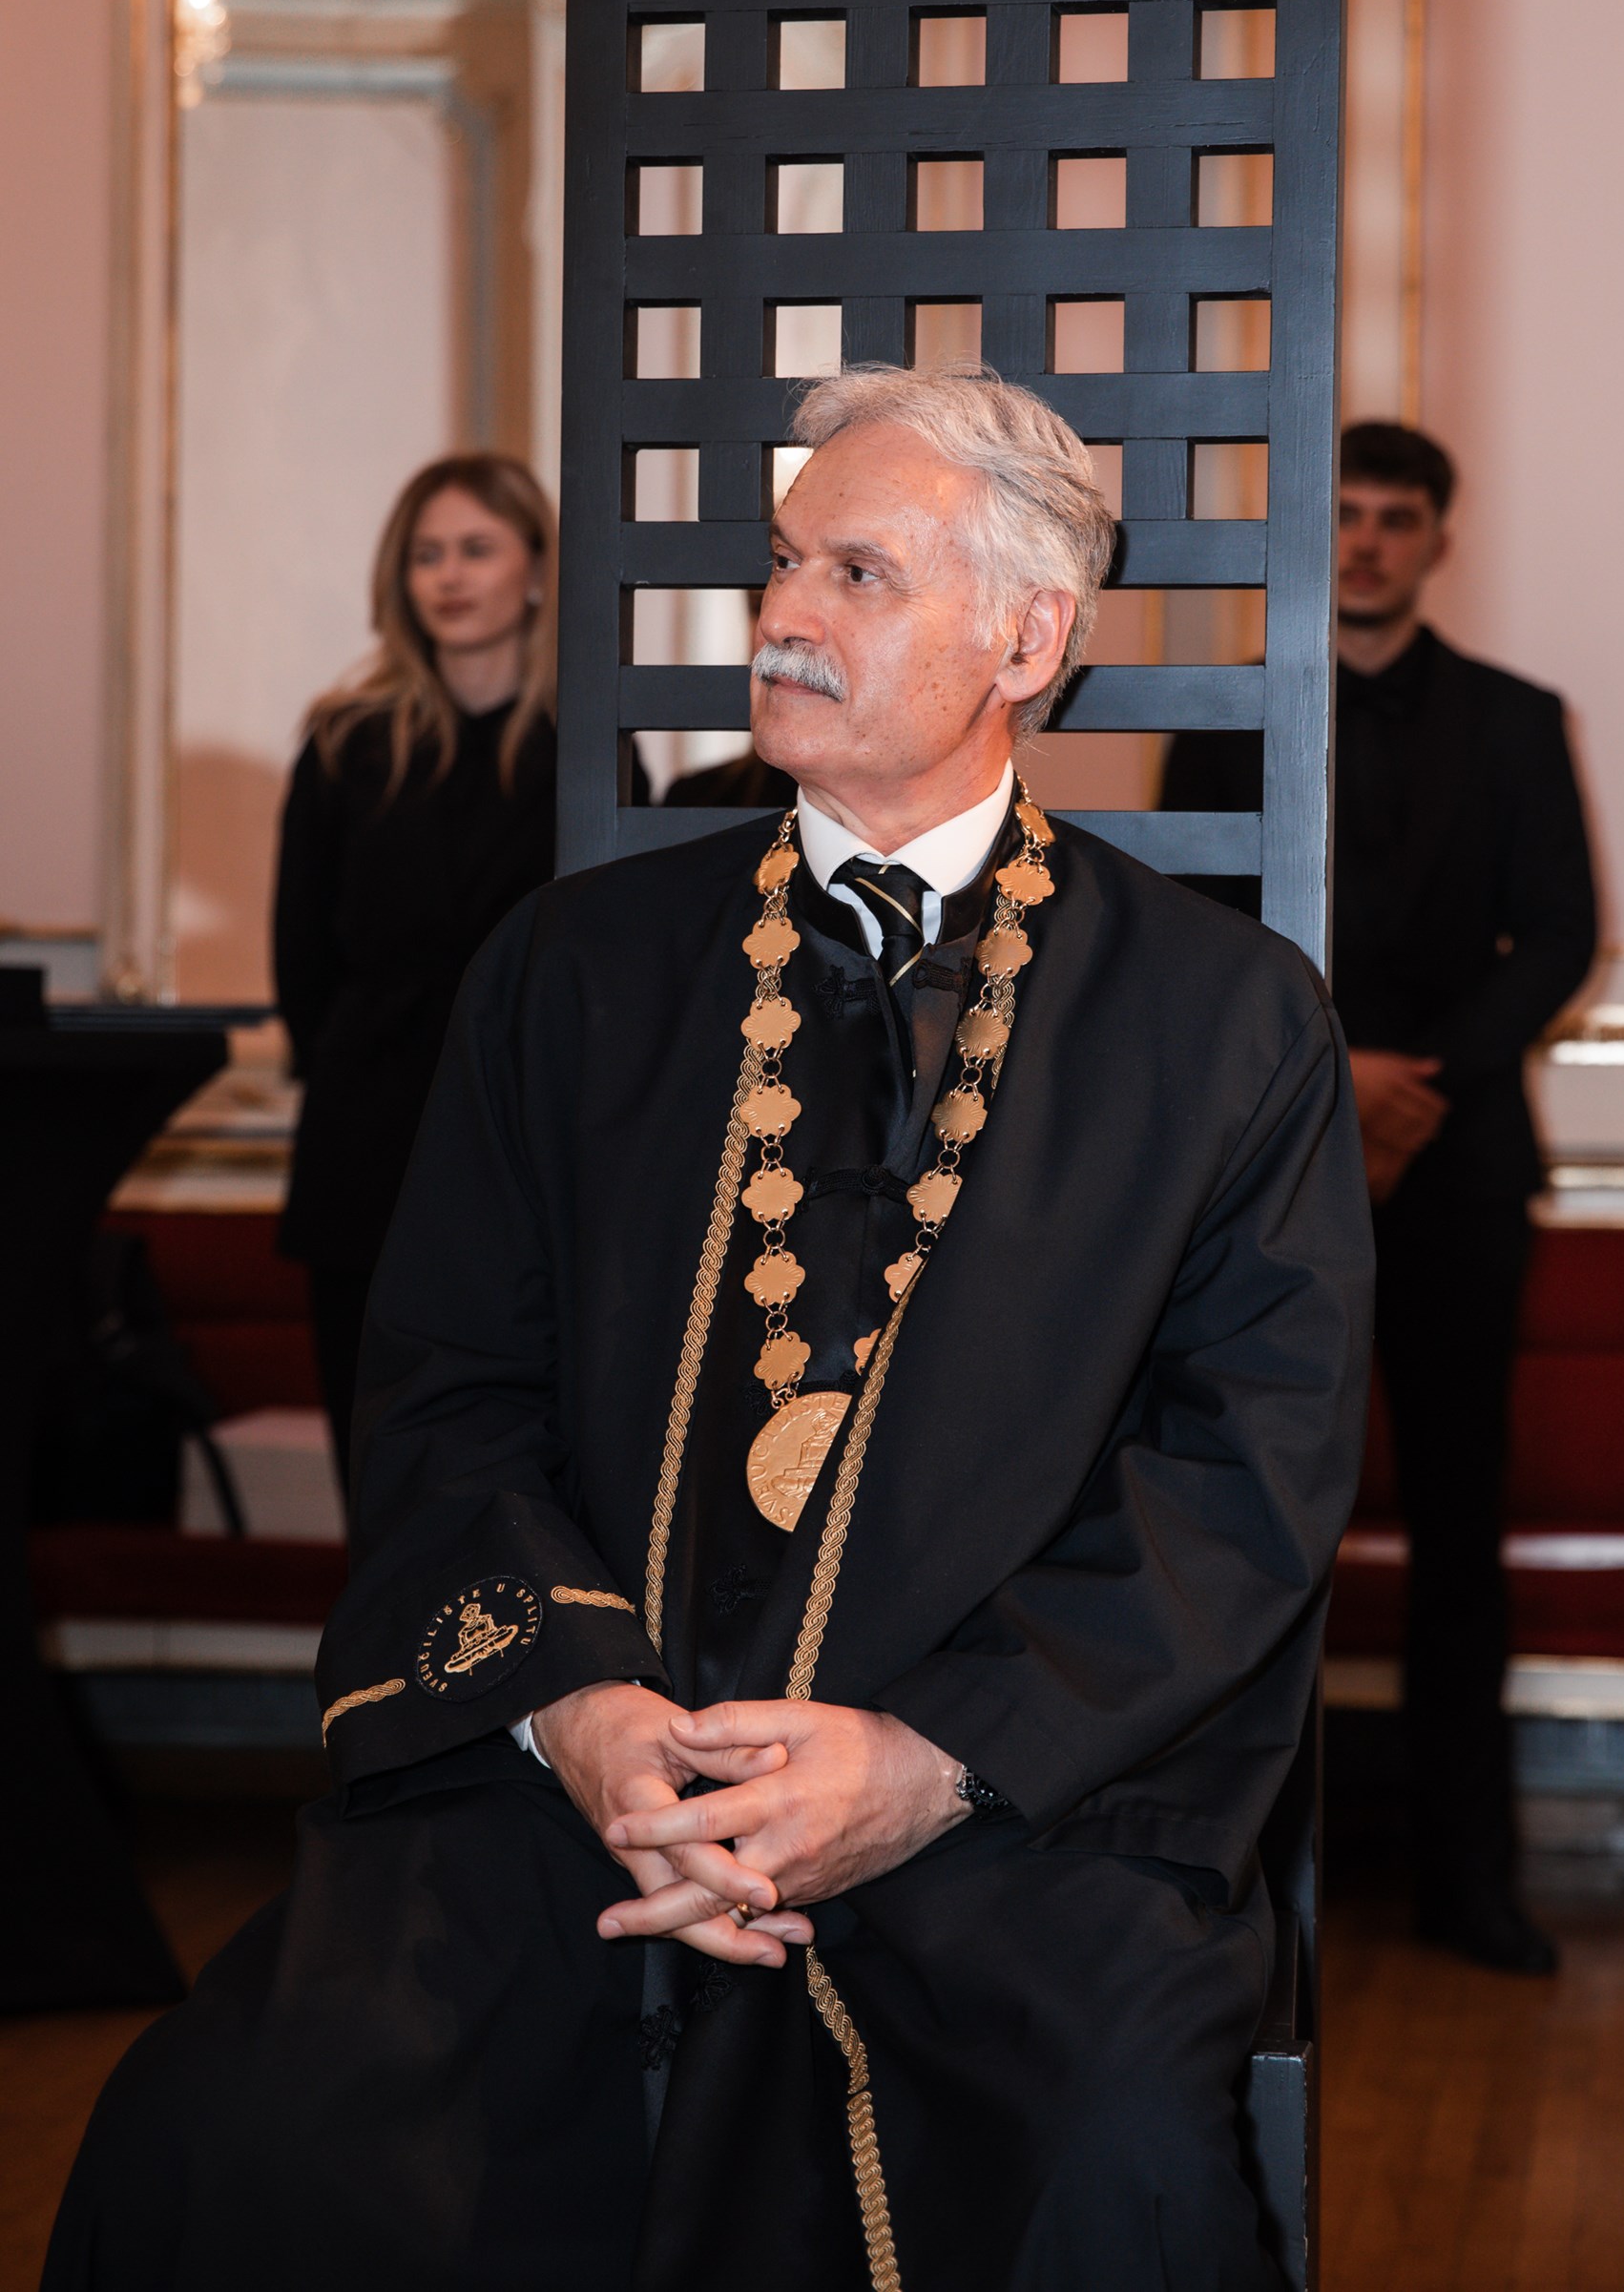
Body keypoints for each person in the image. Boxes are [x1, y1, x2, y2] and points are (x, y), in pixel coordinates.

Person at [50, 368, 1371, 2292]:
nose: (781, 615)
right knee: (229, 2133)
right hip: (577, 1782)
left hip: (1004, 1813)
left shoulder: (1229, 1022)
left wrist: (931, 1761)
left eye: (857, 573)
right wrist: (583, 1716)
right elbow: (449, 1393)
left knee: (1110, 2172)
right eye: (781, 563)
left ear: (1028, 640)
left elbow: (1247, 1472)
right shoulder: (568, 971)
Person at [1160, 419, 1596, 1975]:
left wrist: (1421, 1087)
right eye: (1342, 512)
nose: (1364, 540)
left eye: (1395, 518)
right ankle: (1242, 1886)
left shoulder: (1520, 720)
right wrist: (1337, 1074)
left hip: (1462, 1169)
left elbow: (1561, 933)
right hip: (1271, 1166)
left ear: (1436, 540)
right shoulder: (1221, 714)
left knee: (1462, 1530)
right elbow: (1188, 928)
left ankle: (1470, 1886)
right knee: (1249, 1528)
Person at [272, 454, 558, 1485]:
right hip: (364, 1142)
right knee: (369, 1456)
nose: (449, 576)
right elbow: (300, 963)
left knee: (510, 1463)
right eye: (427, 554)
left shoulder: (582, 754)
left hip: (525, 1143)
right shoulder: (345, 744)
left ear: (537, 570)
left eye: (476, 549)